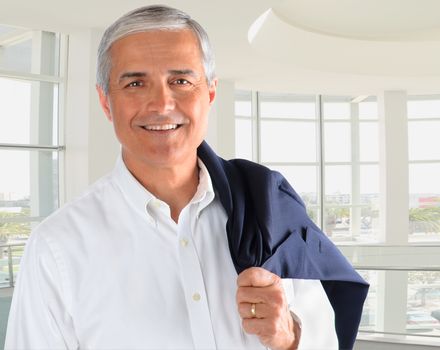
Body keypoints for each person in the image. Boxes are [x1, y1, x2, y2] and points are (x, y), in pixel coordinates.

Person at [5, 5, 367, 350]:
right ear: (105, 102)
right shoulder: (58, 248)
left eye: (180, 80)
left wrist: (290, 336)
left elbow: (327, 339)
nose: (162, 104)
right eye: (135, 84)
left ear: (209, 92)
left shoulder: (270, 214)